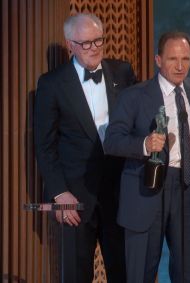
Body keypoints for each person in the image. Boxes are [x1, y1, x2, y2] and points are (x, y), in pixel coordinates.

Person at [103, 31, 190, 283]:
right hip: (146, 187)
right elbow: (112, 141)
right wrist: (145, 144)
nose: (180, 66)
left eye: (186, 59)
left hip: (187, 187)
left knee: (187, 271)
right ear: (158, 60)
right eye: (173, 59)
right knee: (140, 273)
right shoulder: (134, 96)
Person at [34, 13, 136, 283]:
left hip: (119, 194)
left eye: (98, 41)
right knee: (77, 274)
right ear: (70, 45)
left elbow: (142, 117)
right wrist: (59, 193)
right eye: (86, 43)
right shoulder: (51, 84)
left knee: (124, 271)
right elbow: (45, 146)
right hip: (75, 199)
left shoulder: (122, 72)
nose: (94, 49)